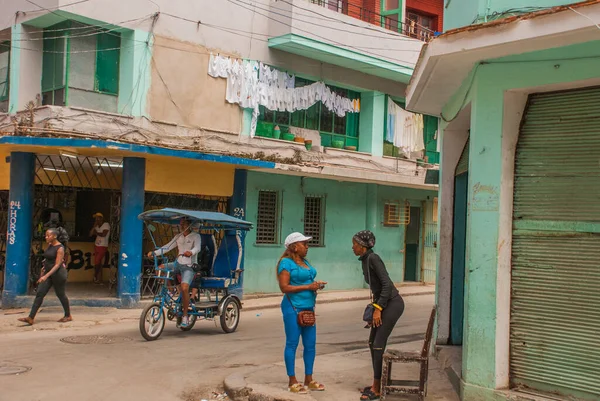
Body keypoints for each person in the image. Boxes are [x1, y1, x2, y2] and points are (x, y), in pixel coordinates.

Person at [352, 230, 405, 401]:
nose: (352, 247)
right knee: (371, 342)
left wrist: (378, 309)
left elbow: (386, 285)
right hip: (383, 304)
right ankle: (378, 381)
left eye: (354, 244)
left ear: (362, 246)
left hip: (392, 304)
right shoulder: (366, 260)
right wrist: (373, 310)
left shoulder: (373, 258)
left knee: (378, 344)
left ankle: (377, 388)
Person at [276, 232, 327, 394]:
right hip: (293, 307)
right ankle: (292, 380)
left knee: (310, 345)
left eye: (307, 244)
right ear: (294, 247)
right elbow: (284, 288)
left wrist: (316, 285)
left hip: (308, 308)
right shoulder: (285, 263)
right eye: (304, 244)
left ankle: (309, 379)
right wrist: (308, 287)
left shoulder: (305, 262)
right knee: (292, 343)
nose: (307, 247)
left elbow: (307, 281)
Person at [147, 217, 201, 328]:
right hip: (177, 264)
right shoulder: (178, 236)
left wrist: (191, 252)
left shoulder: (196, 236)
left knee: (185, 288)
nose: (182, 226)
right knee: (160, 268)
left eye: (184, 223)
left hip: (189, 266)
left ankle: (185, 316)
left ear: (190, 225)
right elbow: (167, 247)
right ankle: (170, 291)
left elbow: (197, 248)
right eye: (181, 224)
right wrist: (154, 253)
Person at [18, 228, 72, 325]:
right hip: (48, 273)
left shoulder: (60, 248)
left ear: (54, 236)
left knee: (61, 294)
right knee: (40, 294)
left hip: (58, 274)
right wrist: (44, 267)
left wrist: (45, 276)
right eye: (46, 235)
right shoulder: (50, 245)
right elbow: (48, 258)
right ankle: (31, 317)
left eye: (48, 235)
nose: (46, 237)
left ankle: (68, 315)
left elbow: (57, 265)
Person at [89, 212, 110, 284]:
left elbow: (104, 234)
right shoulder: (97, 226)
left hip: (103, 245)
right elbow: (90, 234)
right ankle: (98, 278)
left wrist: (96, 233)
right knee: (98, 262)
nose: (96, 219)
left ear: (101, 218)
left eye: (98, 217)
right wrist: (94, 226)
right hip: (96, 245)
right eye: (95, 218)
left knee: (97, 261)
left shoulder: (106, 225)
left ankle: (95, 276)